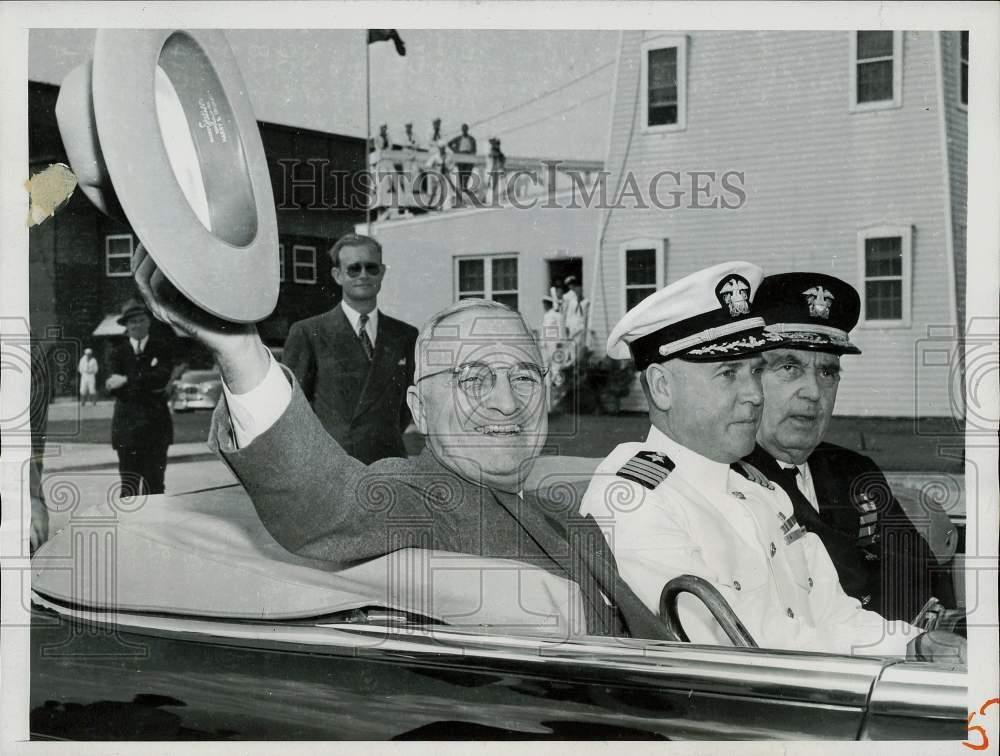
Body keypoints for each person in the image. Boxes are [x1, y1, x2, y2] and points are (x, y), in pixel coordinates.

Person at [132, 244, 671, 641]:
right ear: (418, 410)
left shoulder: (573, 520)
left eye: (525, 377)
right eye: (473, 379)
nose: (508, 403)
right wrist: (240, 351)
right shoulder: (415, 497)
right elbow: (331, 504)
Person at [579, 261, 963, 662]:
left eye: (756, 371)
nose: (754, 395)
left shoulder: (754, 489)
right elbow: (730, 648)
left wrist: (914, 644)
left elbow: (832, 613)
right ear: (662, 387)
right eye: (729, 373)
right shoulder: (633, 496)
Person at [744, 272, 952, 621]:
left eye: (827, 372)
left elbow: (921, 577)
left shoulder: (855, 471)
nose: (813, 391)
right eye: (790, 367)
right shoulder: (733, 479)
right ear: (752, 377)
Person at [282, 234, 418, 464]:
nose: (363, 275)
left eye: (371, 268)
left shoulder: (405, 335)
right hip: (333, 463)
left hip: (389, 461)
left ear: (382, 272)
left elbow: (409, 405)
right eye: (354, 269)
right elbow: (293, 408)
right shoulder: (309, 332)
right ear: (338, 275)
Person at [106, 298, 174, 496]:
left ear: (148, 322)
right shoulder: (117, 353)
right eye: (132, 322)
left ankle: (155, 527)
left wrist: (127, 380)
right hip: (127, 429)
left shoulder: (161, 347)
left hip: (156, 428)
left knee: (155, 486)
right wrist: (144, 382)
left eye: (140, 320)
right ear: (126, 326)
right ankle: (129, 527)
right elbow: (113, 388)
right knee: (128, 487)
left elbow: (161, 378)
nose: (136, 325)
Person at [447, 123, 478, 195]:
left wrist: (472, 154)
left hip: (469, 155)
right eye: (463, 129)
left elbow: (474, 149)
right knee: (461, 172)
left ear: (467, 129)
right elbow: (449, 144)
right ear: (462, 130)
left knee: (468, 171)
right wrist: (455, 151)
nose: (464, 130)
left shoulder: (471, 138)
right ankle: (461, 188)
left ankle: (465, 187)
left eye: (465, 128)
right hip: (460, 155)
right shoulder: (458, 138)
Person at [562, 275, 589, 352]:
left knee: (580, 346)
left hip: (581, 327)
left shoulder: (586, 302)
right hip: (572, 326)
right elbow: (568, 315)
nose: (577, 291)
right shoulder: (571, 301)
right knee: (571, 345)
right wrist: (567, 326)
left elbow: (586, 316)